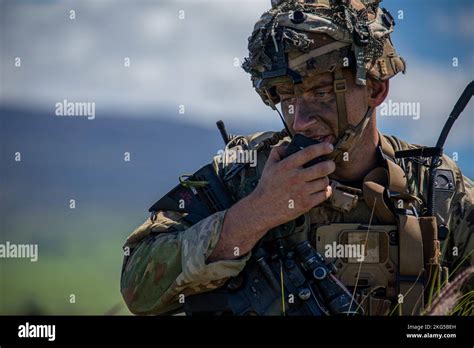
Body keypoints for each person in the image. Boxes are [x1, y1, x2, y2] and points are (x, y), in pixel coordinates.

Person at [120, 0, 473, 316]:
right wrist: (256, 213)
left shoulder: (434, 188)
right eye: (286, 97)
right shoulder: (241, 176)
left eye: (321, 93)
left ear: (376, 89)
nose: (301, 120)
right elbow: (137, 286)